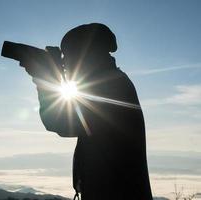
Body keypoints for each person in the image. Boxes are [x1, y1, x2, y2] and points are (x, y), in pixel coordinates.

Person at [26, 23, 153, 200]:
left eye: (68, 58)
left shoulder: (109, 86)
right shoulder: (112, 81)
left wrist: (45, 77)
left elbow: (60, 122)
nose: (65, 65)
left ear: (85, 57)